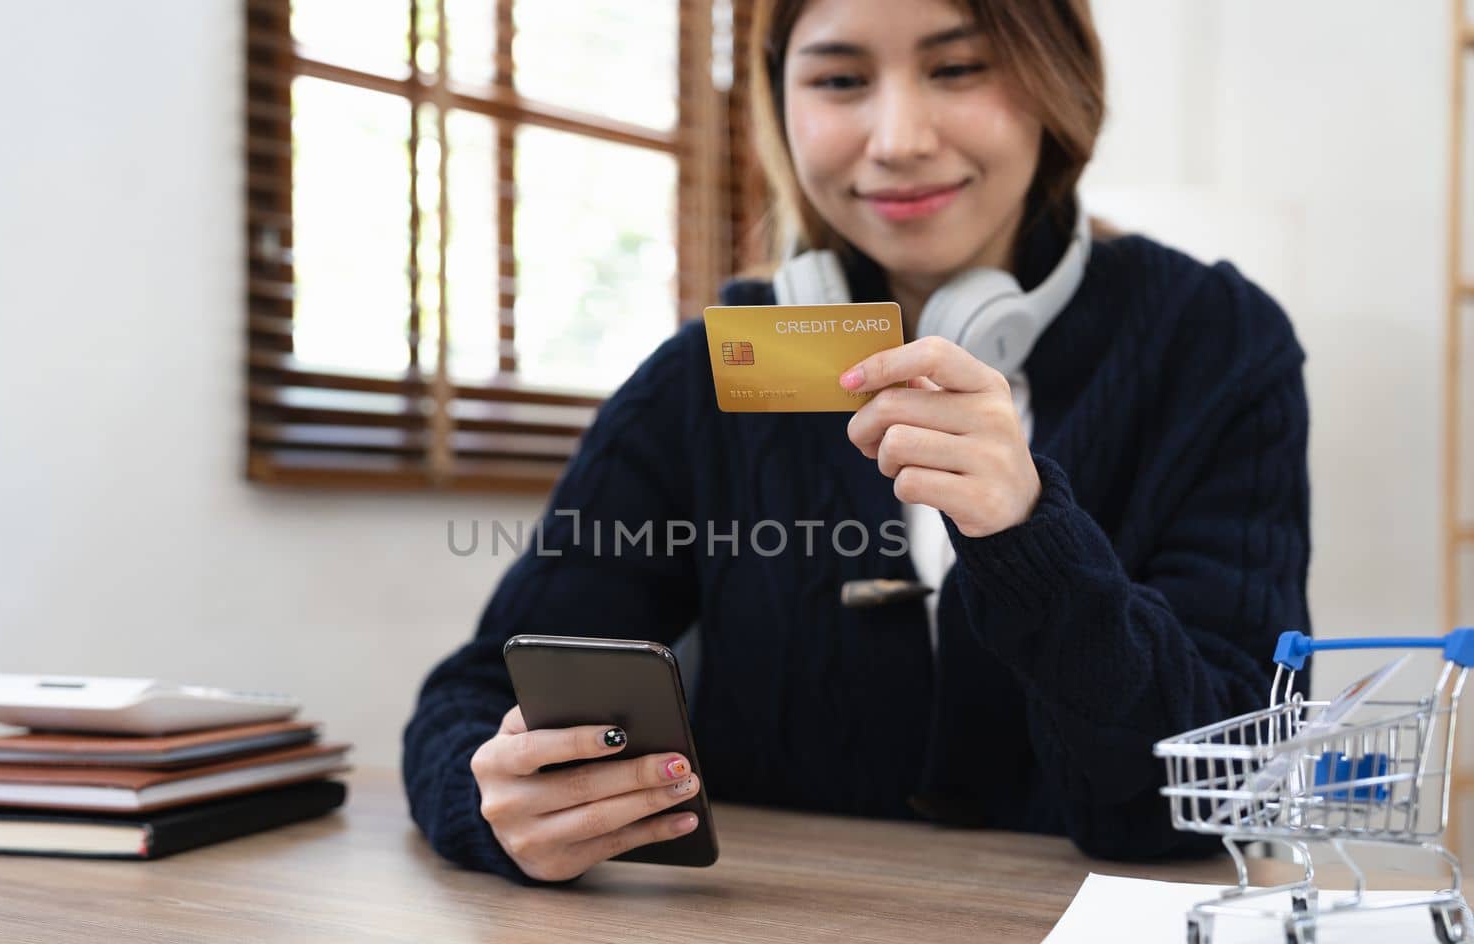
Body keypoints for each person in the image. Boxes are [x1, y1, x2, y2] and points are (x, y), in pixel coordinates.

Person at [403, 0, 1311, 885]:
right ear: (781, 107)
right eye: (840, 79)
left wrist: (1029, 530)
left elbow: (1235, 784)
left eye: (958, 68)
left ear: (1059, 79)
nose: (898, 138)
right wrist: (495, 805)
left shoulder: (1216, 343)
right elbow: (473, 700)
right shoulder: (705, 375)